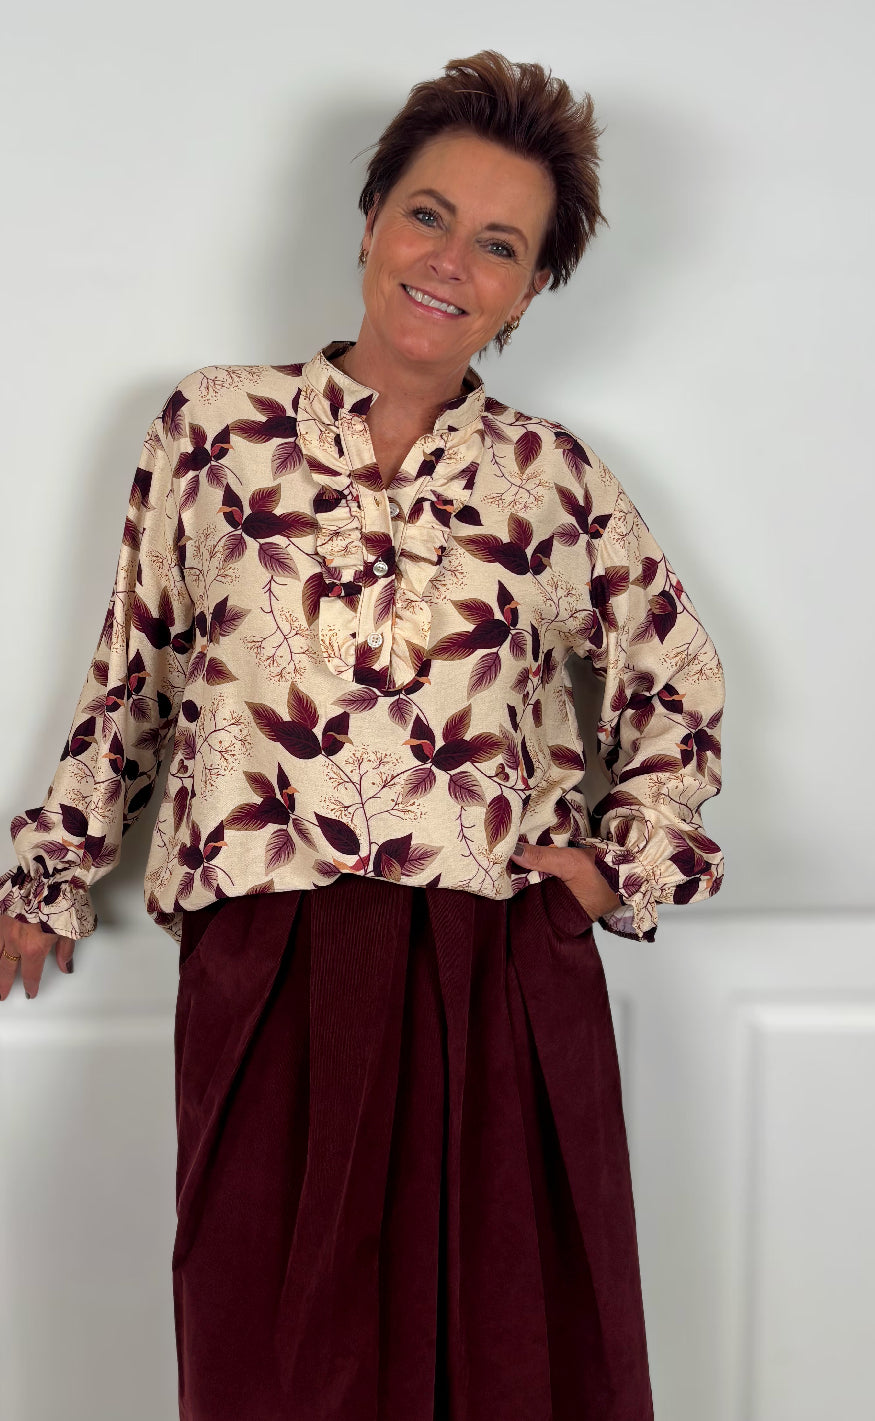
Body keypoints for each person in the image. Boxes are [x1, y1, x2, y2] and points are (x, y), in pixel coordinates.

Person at [0, 50, 724, 1421]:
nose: (451, 261)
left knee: (500, 1361)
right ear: (373, 218)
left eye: (500, 244)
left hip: (490, 958)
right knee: (267, 1363)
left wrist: (619, 863)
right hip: (267, 949)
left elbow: (674, 672)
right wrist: (50, 875)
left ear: (531, 288)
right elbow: (137, 669)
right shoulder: (214, 431)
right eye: (428, 214)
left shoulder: (550, 481)